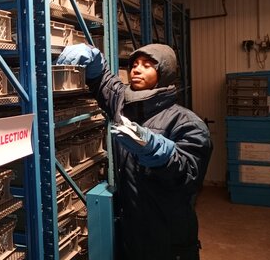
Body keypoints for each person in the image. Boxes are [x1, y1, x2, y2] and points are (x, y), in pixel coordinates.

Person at [56, 43, 212, 260]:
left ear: (164, 74)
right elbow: (105, 83)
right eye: (134, 65)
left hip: (168, 234)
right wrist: (93, 60)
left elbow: (189, 175)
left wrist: (158, 151)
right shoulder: (124, 104)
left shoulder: (187, 122)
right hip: (132, 228)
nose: (136, 70)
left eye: (147, 65)